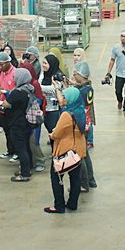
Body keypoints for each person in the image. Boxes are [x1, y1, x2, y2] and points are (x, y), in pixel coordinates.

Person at [45, 87, 87, 213]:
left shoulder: (66, 115)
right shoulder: (80, 110)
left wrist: (51, 135)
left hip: (65, 150)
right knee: (75, 179)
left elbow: (57, 133)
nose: (62, 99)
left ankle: (59, 205)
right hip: (77, 151)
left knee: (56, 177)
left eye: (64, 97)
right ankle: (72, 203)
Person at [1, 68, 34, 182]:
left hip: (17, 124)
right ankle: (28, 168)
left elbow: (6, 104)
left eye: (16, 76)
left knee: (21, 149)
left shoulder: (17, 92)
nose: (14, 78)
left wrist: (2, 102)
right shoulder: (29, 89)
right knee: (26, 147)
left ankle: (24, 174)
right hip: (26, 123)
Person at [74, 61, 96, 190]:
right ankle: (91, 179)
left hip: (81, 124)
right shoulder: (89, 88)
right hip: (87, 123)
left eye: (75, 74)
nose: (74, 76)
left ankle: (84, 183)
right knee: (85, 153)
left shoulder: (80, 93)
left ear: (81, 75)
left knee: (80, 155)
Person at [23, 63, 47, 173]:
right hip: (27, 117)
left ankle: (40, 160)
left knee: (34, 141)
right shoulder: (23, 83)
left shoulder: (35, 84)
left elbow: (39, 100)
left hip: (34, 117)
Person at [0, 51, 17, 155]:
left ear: (8, 62)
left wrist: (7, 92)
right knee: (6, 129)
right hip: (3, 105)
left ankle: (16, 151)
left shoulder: (15, 73)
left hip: (12, 106)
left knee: (13, 131)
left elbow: (17, 90)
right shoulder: (1, 73)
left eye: (2, 64)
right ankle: (10, 150)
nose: (0, 66)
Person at [40, 53, 65, 139]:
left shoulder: (57, 76)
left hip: (54, 109)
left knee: (53, 130)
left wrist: (38, 87)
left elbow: (53, 89)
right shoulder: (43, 74)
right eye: (43, 63)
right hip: (45, 108)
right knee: (49, 128)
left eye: (45, 63)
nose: (43, 65)